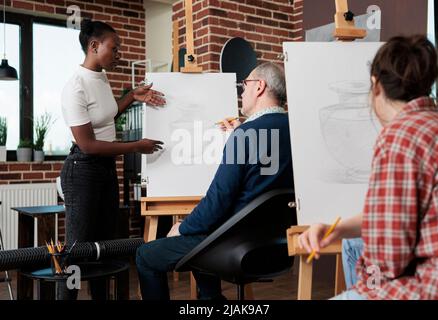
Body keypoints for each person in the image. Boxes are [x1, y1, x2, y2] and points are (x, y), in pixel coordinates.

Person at [298, 35, 438, 300]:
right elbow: (398, 215)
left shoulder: (400, 136)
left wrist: (367, 287)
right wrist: (335, 229)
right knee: (352, 243)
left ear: (376, 85)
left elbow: (387, 259)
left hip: (432, 287)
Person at [136, 62, 294, 300]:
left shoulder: (245, 135)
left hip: (235, 244)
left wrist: (183, 226)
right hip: (278, 246)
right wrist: (240, 136)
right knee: (204, 237)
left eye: (245, 84)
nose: (242, 91)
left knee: (145, 256)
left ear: (260, 87)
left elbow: (219, 199)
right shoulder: (295, 130)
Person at [60, 19, 165, 299]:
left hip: (106, 169)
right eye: (114, 48)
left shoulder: (101, 77)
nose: (119, 54)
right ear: (94, 46)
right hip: (82, 169)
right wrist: (134, 147)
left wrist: (132, 96)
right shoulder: (75, 87)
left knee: (103, 249)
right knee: (77, 251)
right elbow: (88, 144)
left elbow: (106, 114)